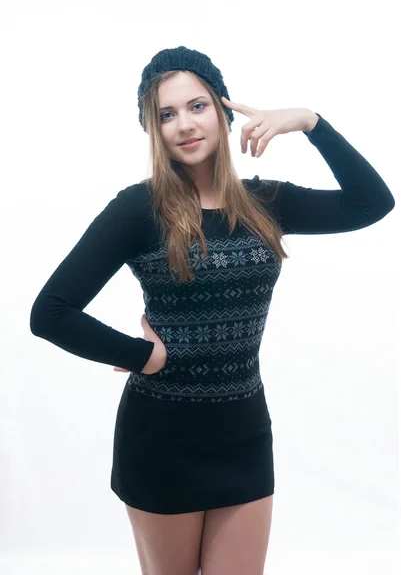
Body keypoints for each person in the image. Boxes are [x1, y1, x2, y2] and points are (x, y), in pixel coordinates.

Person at [30, 46, 395, 575]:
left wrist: (311, 122)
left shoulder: (266, 202)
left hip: (243, 435)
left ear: (223, 111)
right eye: (166, 114)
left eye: (197, 106)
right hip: (161, 441)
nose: (184, 124)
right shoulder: (139, 209)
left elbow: (371, 204)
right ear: (153, 130)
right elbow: (51, 311)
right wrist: (142, 356)